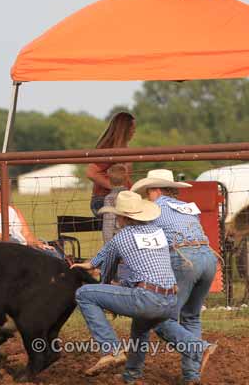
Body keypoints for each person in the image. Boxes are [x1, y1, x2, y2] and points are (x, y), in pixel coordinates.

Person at [71, 191, 178, 381]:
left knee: (84, 293)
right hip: (171, 297)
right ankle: (131, 376)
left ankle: (111, 350)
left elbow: (105, 268)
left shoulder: (120, 238)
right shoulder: (158, 232)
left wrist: (106, 296)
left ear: (121, 217)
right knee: (141, 328)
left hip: (146, 296)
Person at [131, 169, 218, 384]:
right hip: (208, 257)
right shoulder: (186, 207)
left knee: (159, 317)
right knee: (192, 316)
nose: (147, 196)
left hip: (183, 258)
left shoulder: (153, 208)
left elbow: (147, 241)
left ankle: (198, 348)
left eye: (148, 191)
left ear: (155, 190)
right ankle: (191, 375)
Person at [0, 174, 60, 257]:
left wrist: (36, 243)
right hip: (0, 251)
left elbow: (27, 234)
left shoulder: (14, 210)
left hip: (22, 248)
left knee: (53, 254)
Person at [86, 112, 135, 217]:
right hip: (102, 199)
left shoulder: (123, 148)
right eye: (132, 129)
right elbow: (91, 173)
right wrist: (115, 188)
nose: (134, 132)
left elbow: (124, 179)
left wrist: (133, 190)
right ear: (125, 130)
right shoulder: (108, 149)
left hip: (117, 198)